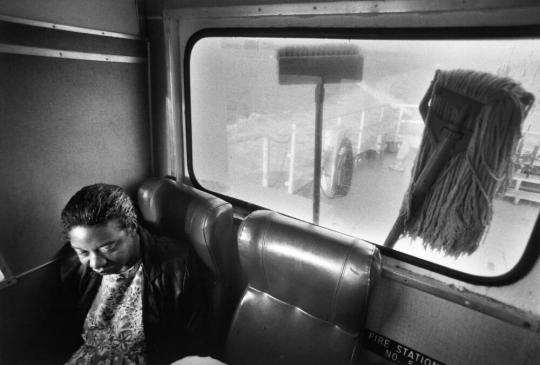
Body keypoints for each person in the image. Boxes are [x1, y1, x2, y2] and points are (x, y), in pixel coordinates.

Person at [57, 183, 211, 365]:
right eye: (83, 252)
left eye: (108, 247)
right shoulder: (73, 262)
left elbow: (194, 344)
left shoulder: (177, 267)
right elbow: (60, 330)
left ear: (131, 228)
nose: (95, 263)